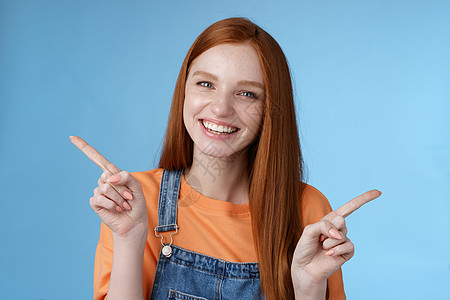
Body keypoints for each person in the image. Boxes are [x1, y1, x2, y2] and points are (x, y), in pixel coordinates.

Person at [71, 17, 381, 300]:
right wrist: (129, 238)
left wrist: (309, 287)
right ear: (184, 90)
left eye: (247, 94)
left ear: (270, 110)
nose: (220, 109)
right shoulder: (137, 202)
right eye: (206, 84)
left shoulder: (308, 210)